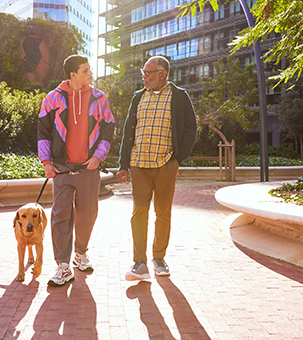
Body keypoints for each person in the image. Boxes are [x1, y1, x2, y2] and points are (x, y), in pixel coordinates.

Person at [117, 56, 197, 281]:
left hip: (165, 165)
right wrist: (124, 165)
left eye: (148, 72)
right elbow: (127, 132)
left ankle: (159, 258)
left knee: (163, 213)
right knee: (139, 213)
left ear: (162, 73)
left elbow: (191, 130)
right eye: (144, 72)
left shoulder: (180, 97)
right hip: (139, 164)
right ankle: (139, 263)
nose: (144, 76)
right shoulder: (137, 97)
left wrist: (177, 161)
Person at [38, 55, 115, 287]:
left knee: (87, 214)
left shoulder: (100, 98)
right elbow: (43, 131)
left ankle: (80, 253)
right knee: (60, 216)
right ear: (72, 74)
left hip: (88, 169)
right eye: (85, 70)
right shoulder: (53, 98)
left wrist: (98, 157)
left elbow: (108, 130)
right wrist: (46, 162)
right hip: (61, 170)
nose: (90, 74)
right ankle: (63, 266)